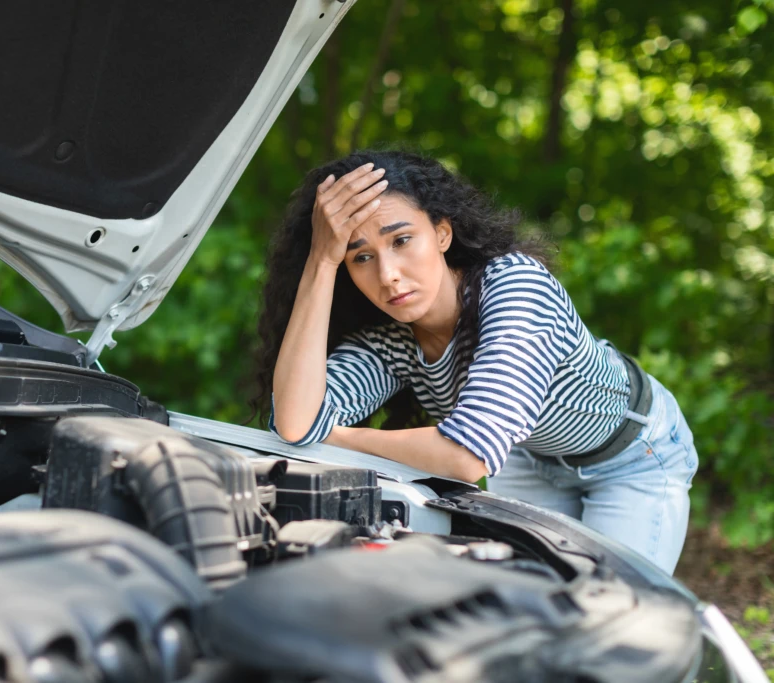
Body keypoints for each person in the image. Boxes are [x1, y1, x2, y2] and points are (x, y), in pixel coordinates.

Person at [252, 149, 699, 574]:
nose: (387, 275)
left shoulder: (516, 286)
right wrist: (321, 259)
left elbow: (468, 454)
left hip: (631, 454)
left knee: (610, 608)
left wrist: (338, 437)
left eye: (402, 240)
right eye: (361, 256)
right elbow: (294, 422)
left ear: (442, 233)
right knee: (533, 604)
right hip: (527, 458)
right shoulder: (390, 337)